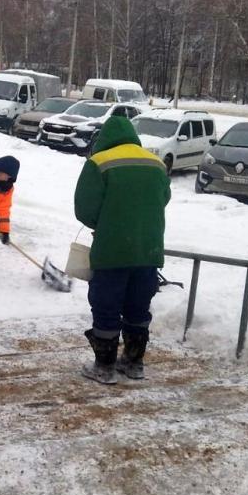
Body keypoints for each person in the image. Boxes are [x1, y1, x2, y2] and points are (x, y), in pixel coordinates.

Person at [73, 116, 171, 385]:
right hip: (148, 250)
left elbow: (84, 208)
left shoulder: (99, 162)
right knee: (139, 307)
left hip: (112, 251)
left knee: (106, 306)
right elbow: (164, 199)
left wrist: (105, 225)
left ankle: (104, 367)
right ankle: (134, 363)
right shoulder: (156, 163)